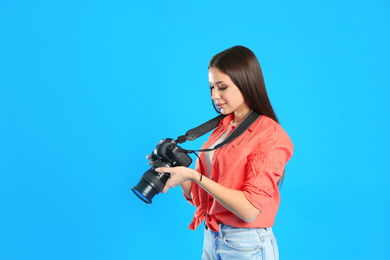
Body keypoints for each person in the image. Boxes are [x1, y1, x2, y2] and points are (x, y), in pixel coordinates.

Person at [148, 46, 293, 260]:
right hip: (213, 238)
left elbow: (250, 209)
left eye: (222, 87)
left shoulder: (270, 134)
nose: (215, 95)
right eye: (211, 87)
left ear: (245, 82)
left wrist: (192, 176)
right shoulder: (222, 128)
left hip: (247, 246)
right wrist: (176, 175)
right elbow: (204, 199)